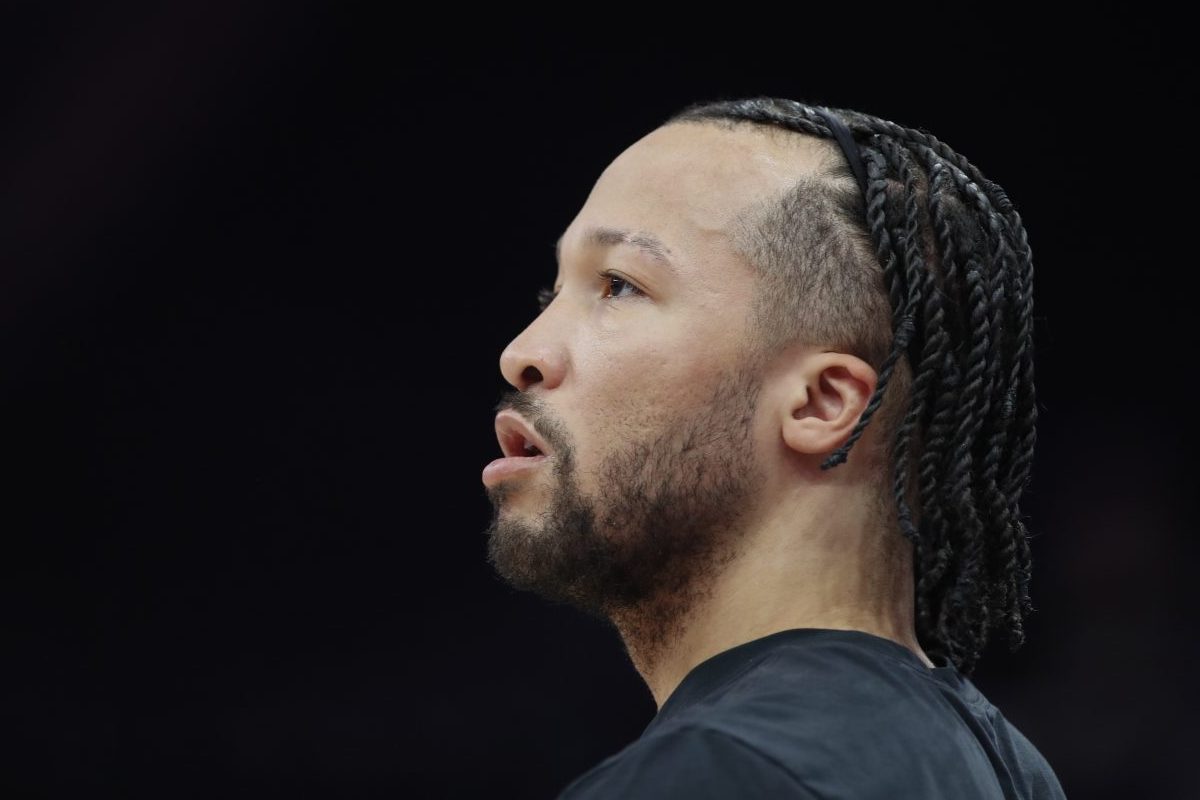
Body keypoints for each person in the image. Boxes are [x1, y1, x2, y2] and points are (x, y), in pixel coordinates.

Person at [480, 96, 1066, 799]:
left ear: (822, 403)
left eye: (618, 286)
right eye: (552, 293)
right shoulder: (1010, 771)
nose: (524, 352)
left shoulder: (716, 772)